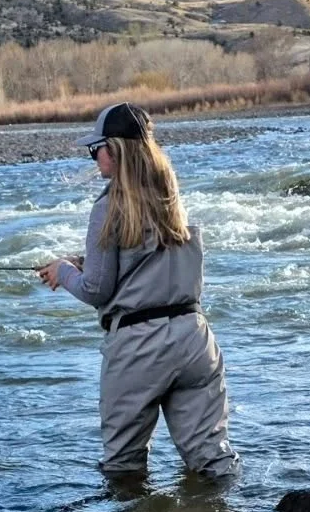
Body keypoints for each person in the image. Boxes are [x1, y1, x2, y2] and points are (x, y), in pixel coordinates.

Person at [37, 102, 238, 481]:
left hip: (138, 350)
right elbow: (147, 256)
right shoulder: (169, 194)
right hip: (194, 340)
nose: (94, 158)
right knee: (214, 461)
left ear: (113, 150)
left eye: (95, 149)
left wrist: (64, 272)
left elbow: (97, 290)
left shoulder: (109, 206)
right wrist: (83, 259)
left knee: (123, 468)